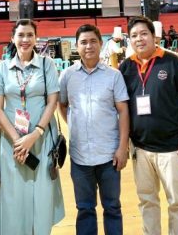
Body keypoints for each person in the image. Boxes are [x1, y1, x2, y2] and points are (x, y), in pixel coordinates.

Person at [119, 16, 178, 235]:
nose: (139, 39)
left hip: (172, 147)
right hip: (140, 148)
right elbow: (121, 108)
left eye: (144, 34)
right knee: (147, 201)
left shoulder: (171, 62)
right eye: (134, 35)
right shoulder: (126, 67)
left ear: (154, 37)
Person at [0, 19, 64, 234]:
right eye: (21, 35)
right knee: (13, 192)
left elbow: (52, 102)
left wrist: (35, 134)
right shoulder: (2, 68)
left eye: (30, 35)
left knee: (42, 191)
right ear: (12, 38)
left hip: (42, 137)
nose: (25, 39)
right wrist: (18, 141)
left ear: (36, 38)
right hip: (12, 141)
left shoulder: (47, 65)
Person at [59, 24, 130, 235]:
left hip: (109, 156)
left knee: (112, 207)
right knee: (85, 208)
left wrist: (122, 148)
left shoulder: (114, 76)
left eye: (92, 41)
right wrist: (74, 123)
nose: (88, 46)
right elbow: (62, 104)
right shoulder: (67, 76)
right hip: (80, 157)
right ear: (76, 46)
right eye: (83, 42)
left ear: (101, 43)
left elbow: (123, 111)